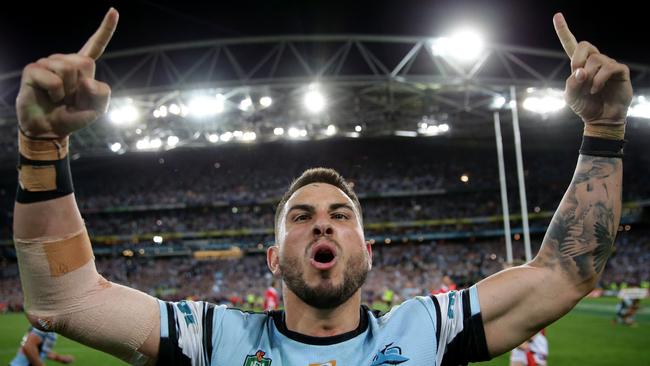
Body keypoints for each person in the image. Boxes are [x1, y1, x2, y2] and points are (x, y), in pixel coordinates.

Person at [12, 8, 631, 365]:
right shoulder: (214, 340)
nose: (323, 223)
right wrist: (41, 146)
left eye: (341, 214)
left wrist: (603, 128)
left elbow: (567, 271)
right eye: (300, 217)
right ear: (273, 259)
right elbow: (66, 299)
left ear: (369, 250)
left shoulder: (426, 331)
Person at [9, 327, 74, 366]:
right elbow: (29, 347)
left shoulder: (48, 324)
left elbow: (42, 350)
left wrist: (60, 358)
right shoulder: (45, 323)